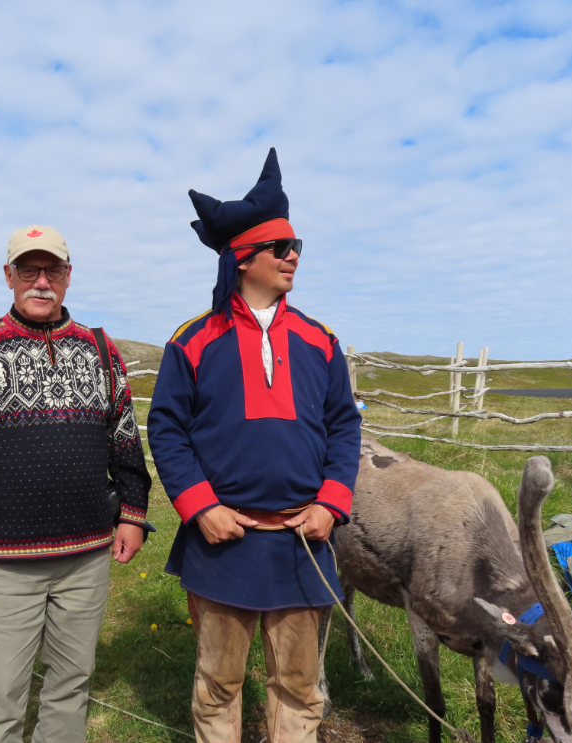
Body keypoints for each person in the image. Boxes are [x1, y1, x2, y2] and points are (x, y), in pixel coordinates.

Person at [147, 149, 362, 743]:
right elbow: (166, 428)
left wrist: (331, 503)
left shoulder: (321, 341)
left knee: (299, 684)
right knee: (219, 684)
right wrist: (200, 508)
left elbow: (344, 426)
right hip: (223, 541)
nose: (293, 256)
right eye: (281, 248)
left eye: (298, 247)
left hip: (303, 537)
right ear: (244, 259)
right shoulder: (192, 342)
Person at [0, 224, 152, 743]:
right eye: (29, 270)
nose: (41, 281)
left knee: (71, 685)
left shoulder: (101, 350)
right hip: (4, 563)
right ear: (9, 276)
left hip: (88, 555)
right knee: (2, 693)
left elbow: (125, 443)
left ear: (69, 277)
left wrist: (133, 515)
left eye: (52, 270)